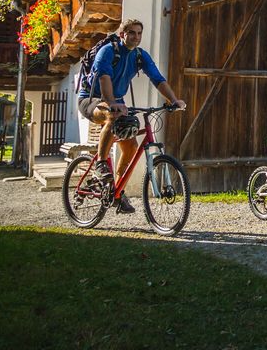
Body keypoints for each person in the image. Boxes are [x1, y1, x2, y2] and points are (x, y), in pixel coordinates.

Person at [77, 18, 186, 214]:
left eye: (139, 33)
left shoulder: (139, 55)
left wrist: (174, 100)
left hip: (116, 102)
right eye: (132, 33)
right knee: (112, 117)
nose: (136, 37)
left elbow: (157, 78)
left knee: (132, 146)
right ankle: (101, 164)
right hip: (91, 100)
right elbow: (104, 77)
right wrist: (111, 103)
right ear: (122, 34)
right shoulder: (108, 51)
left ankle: (117, 192)